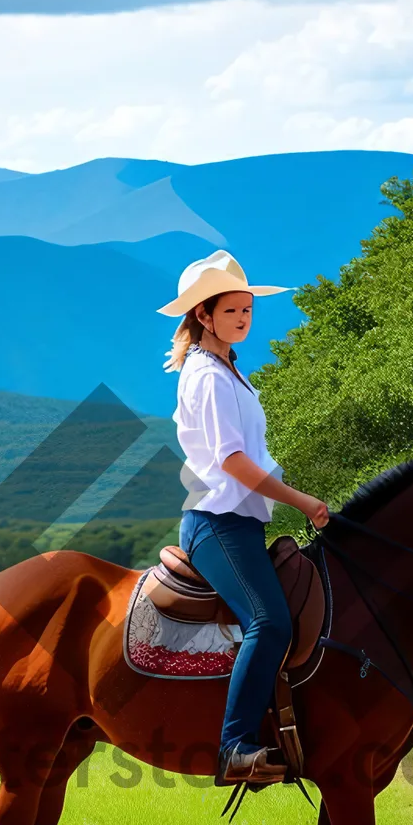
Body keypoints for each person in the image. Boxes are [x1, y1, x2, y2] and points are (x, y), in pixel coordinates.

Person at [158, 251, 330, 785]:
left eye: (248, 310)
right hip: (217, 522)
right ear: (203, 316)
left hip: (241, 522)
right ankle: (235, 747)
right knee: (270, 621)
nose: (243, 318)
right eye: (232, 310)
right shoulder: (208, 376)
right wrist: (302, 501)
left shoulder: (231, 371)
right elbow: (232, 462)